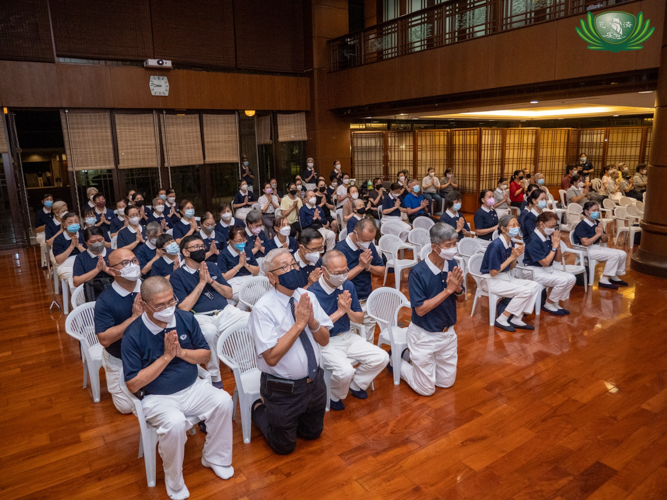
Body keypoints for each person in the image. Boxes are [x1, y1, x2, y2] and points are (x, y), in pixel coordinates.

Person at [122, 277, 235, 499]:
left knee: (224, 401)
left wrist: (181, 353)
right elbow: (133, 383)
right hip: (157, 397)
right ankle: (174, 482)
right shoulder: (133, 334)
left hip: (193, 387)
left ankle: (215, 458)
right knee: (174, 424)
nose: (168, 308)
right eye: (160, 305)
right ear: (144, 305)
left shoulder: (185, 318)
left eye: (171, 301)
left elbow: (206, 354)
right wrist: (166, 357)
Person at [248, 248, 333, 455]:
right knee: (284, 447)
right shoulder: (263, 309)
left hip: (314, 383)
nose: (292, 269)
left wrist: (311, 321)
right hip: (283, 389)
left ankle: (296, 417)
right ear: (271, 277)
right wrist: (298, 324)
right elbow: (271, 357)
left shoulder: (307, 296)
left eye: (293, 264)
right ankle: (257, 408)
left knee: (313, 434)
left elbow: (324, 340)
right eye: (284, 267)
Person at [309, 250, 389, 410]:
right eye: (337, 273)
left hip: (347, 335)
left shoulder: (348, 285)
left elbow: (359, 319)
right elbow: (316, 329)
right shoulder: (312, 294)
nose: (343, 276)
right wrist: (339, 312)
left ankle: (357, 384)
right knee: (345, 371)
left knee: (382, 357)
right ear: (324, 271)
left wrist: (348, 311)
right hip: (325, 342)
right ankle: (334, 396)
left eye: (345, 271)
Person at [395, 223, 465, 396]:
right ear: (435, 247)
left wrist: (457, 289)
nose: (453, 249)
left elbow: (461, 299)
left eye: (454, 244)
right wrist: (448, 290)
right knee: (426, 390)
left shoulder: (451, 263)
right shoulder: (418, 272)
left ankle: (421, 363)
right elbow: (420, 310)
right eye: (448, 245)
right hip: (424, 335)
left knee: (446, 383)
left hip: (448, 333)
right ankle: (395, 360)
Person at [171, 235, 249, 387]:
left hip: (224, 311)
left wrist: (211, 281)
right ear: (186, 252)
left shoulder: (211, 267)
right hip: (200, 317)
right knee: (209, 332)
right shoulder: (177, 276)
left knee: (249, 320)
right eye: (196, 247)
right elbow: (183, 308)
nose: (201, 249)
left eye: (202, 246)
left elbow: (228, 294)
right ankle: (215, 376)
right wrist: (201, 282)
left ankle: (241, 365)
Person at [95, 248, 143, 414]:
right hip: (119, 357)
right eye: (125, 263)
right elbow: (105, 339)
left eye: (134, 260)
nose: (132, 265)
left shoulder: (150, 289)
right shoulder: (106, 300)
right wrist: (134, 317)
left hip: (149, 354)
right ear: (113, 271)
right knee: (126, 408)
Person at [479, 214, 541, 332]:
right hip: (490, 281)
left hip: (505, 277)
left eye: (517, 225)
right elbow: (493, 272)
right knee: (525, 291)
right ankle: (502, 319)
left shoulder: (511, 243)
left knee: (534, 285)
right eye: (513, 225)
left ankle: (517, 318)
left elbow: (511, 267)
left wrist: (515, 257)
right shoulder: (495, 245)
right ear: (503, 229)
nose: (516, 227)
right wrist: (511, 257)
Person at [335, 218, 385, 342]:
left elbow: (382, 270)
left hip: (367, 299)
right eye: (364, 240)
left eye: (370, 240)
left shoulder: (369, 245)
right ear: (355, 232)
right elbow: (339, 279)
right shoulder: (340, 249)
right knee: (352, 341)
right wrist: (360, 266)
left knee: (368, 340)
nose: (367, 244)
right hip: (349, 303)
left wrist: (368, 267)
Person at [523, 212, 575, 315]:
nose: (554, 229)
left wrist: (558, 244)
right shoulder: (533, 239)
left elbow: (558, 260)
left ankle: (553, 302)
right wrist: (554, 247)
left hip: (547, 270)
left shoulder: (547, 236)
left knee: (571, 278)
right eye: (551, 226)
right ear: (542, 224)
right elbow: (545, 263)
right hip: (533, 271)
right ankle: (549, 304)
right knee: (562, 281)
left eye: (555, 226)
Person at [573, 202, 628, 290]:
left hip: (596, 247)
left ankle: (613, 276)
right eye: (594, 210)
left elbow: (605, 240)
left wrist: (602, 234)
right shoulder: (581, 226)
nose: (597, 212)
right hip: (585, 250)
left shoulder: (597, 222)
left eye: (598, 210)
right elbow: (585, 243)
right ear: (586, 212)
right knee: (614, 256)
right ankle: (604, 280)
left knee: (622, 253)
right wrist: (598, 234)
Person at [216, 226, 260, 302]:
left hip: (250, 279)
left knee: (263, 293)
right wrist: (239, 265)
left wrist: (246, 264)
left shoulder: (247, 250)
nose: (242, 243)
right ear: (231, 240)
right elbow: (223, 277)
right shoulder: (223, 254)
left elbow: (257, 270)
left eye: (244, 240)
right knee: (250, 297)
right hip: (234, 282)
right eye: (239, 241)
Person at [53, 212, 86, 286]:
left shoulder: (84, 235)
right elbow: (59, 260)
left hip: (82, 261)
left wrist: (78, 246)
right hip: (66, 265)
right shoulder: (58, 239)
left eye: (76, 222)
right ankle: (77, 297)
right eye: (70, 222)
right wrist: (71, 246)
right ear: (64, 225)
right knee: (74, 278)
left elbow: (90, 254)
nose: (74, 224)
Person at [35, 193, 54, 268]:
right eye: (47, 200)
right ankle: (47, 262)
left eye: (51, 200)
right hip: (42, 233)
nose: (49, 201)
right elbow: (37, 229)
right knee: (44, 242)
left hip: (54, 232)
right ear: (42, 202)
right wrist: (47, 225)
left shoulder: (54, 212)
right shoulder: (39, 213)